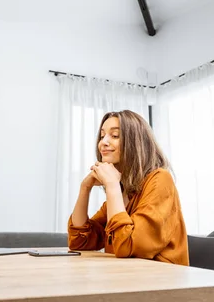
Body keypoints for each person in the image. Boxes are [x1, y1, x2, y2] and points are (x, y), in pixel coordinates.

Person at [68, 110, 189, 265]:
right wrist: (85, 188)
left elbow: (128, 246)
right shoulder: (122, 192)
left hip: (160, 281)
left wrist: (112, 186)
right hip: (126, 277)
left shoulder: (160, 179)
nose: (103, 142)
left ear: (135, 142)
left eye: (115, 135)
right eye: (102, 135)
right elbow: (79, 242)